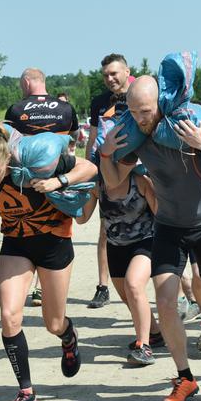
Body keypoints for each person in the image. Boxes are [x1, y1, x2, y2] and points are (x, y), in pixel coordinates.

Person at [100, 76, 201, 401]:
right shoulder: (135, 135)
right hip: (167, 226)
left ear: (159, 106)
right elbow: (113, 184)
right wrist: (107, 155)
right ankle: (186, 378)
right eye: (133, 111)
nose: (140, 118)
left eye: (145, 111)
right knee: (165, 302)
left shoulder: (190, 127)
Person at [0, 121, 97, 401]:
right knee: (9, 316)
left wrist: (58, 182)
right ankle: (26, 393)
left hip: (54, 242)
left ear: (8, 159)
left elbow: (90, 170)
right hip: (16, 244)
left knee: (53, 323)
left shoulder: (35, 164)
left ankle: (68, 337)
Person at [77, 143, 163, 365]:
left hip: (146, 242)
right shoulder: (97, 187)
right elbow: (81, 218)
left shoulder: (141, 182)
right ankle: (154, 333)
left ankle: (144, 347)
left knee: (134, 286)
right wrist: (68, 199)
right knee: (127, 296)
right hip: (116, 247)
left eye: (128, 161)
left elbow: (161, 216)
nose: (124, 166)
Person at [5, 68, 79, 306]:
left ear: (27, 82)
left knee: (29, 228)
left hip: (25, 180)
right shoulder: (66, 109)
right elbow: (73, 139)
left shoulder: (16, 109)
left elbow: (8, 144)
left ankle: (29, 279)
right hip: (58, 176)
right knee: (57, 229)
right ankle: (43, 287)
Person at [84, 54, 132, 309]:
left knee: (159, 229)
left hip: (139, 172)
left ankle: (181, 291)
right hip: (106, 171)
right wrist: (89, 171)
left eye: (114, 73)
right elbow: (92, 139)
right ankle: (103, 287)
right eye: (106, 75)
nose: (110, 79)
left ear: (127, 71)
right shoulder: (100, 102)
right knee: (106, 229)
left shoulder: (141, 93)